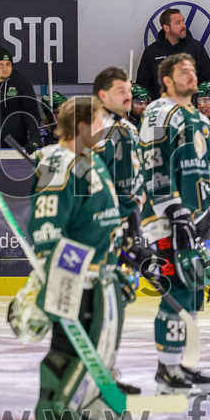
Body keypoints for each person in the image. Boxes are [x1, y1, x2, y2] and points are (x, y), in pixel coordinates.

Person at [23, 96, 130, 420]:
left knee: (93, 348)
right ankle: (54, 413)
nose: (104, 129)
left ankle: (75, 409)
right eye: (98, 121)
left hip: (98, 272)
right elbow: (47, 227)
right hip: (75, 273)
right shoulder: (58, 159)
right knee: (69, 346)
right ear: (81, 126)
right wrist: (59, 277)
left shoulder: (87, 160)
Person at [139, 53, 210, 395]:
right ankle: (166, 368)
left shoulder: (198, 119)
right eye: (183, 72)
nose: (191, 75)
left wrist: (206, 213)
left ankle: (182, 363)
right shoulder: (159, 110)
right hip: (168, 219)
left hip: (193, 217)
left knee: (194, 288)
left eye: (193, 71)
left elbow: (202, 174)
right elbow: (154, 164)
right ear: (167, 81)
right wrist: (174, 211)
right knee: (176, 291)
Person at [91, 67, 146, 393]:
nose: (129, 95)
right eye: (120, 90)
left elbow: (134, 185)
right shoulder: (97, 131)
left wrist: (134, 225)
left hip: (121, 228)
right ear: (102, 95)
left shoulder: (127, 128)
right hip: (101, 233)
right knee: (100, 305)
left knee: (115, 303)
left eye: (129, 89)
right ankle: (93, 374)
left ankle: (105, 370)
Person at [136, 8, 210, 99]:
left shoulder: (196, 48)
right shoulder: (151, 51)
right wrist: (156, 104)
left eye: (183, 21)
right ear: (166, 28)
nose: (183, 25)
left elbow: (207, 79)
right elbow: (143, 84)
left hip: (190, 107)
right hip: (161, 108)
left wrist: (196, 102)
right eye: (178, 23)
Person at [0, 46, 41, 151]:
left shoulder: (21, 82)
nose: (5, 68)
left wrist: (34, 138)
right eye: (0, 65)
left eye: (8, 64)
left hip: (16, 150)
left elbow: (31, 112)